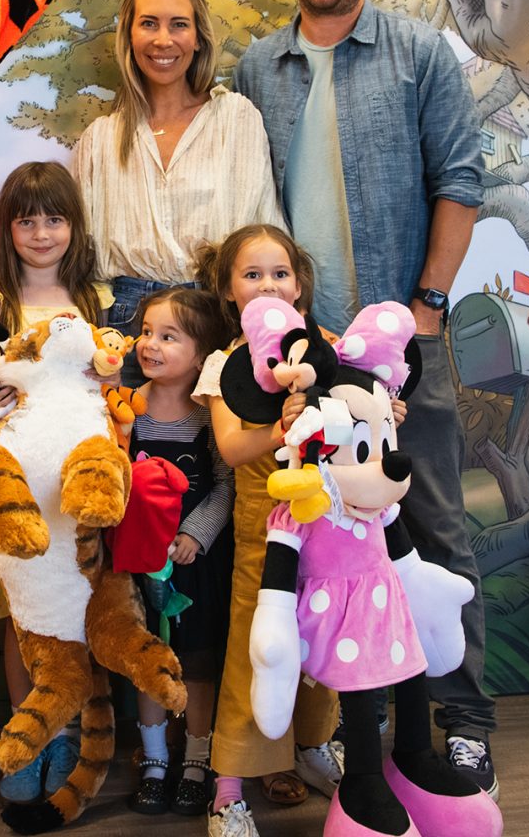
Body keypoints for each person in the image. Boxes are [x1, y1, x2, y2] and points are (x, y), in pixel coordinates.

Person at [233, 0, 496, 801]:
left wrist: (426, 307)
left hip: (399, 346)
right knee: (325, 542)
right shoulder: (256, 69)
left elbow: (463, 179)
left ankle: (462, 724)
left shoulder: (419, 52)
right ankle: (353, 733)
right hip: (306, 362)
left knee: (435, 528)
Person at [0, 160, 113, 804]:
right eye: (27, 220)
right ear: (8, 227)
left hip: (77, 487)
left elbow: (109, 384)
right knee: (24, 618)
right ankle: (29, 734)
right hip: (14, 486)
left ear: (73, 225)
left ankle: (68, 729)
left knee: (76, 614)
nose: (41, 233)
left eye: (55, 219)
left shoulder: (94, 300)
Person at [191, 224, 341, 837]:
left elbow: (358, 420)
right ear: (229, 291)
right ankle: (228, 788)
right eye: (251, 275)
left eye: (279, 273)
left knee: (324, 644)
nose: (268, 284)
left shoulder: (326, 347)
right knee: (259, 650)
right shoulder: (226, 364)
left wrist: (381, 408)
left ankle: (312, 746)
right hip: (265, 529)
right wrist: (282, 431)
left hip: (332, 529)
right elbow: (230, 448)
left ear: (299, 283)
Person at [72, 0, 284, 351]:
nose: (163, 40)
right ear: (130, 36)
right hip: (124, 330)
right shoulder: (99, 139)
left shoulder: (236, 119)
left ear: (199, 37)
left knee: (218, 415)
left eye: (179, 25)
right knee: (129, 414)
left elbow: (264, 232)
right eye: (149, 24)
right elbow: (74, 261)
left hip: (218, 318)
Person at [119, 287, 235, 818]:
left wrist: (196, 533)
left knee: (197, 661)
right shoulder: (129, 406)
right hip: (140, 563)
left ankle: (195, 759)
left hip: (194, 563)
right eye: (146, 332)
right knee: (149, 661)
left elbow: (225, 483)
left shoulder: (209, 414)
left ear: (203, 351)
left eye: (169, 336)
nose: (151, 344)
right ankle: (155, 760)